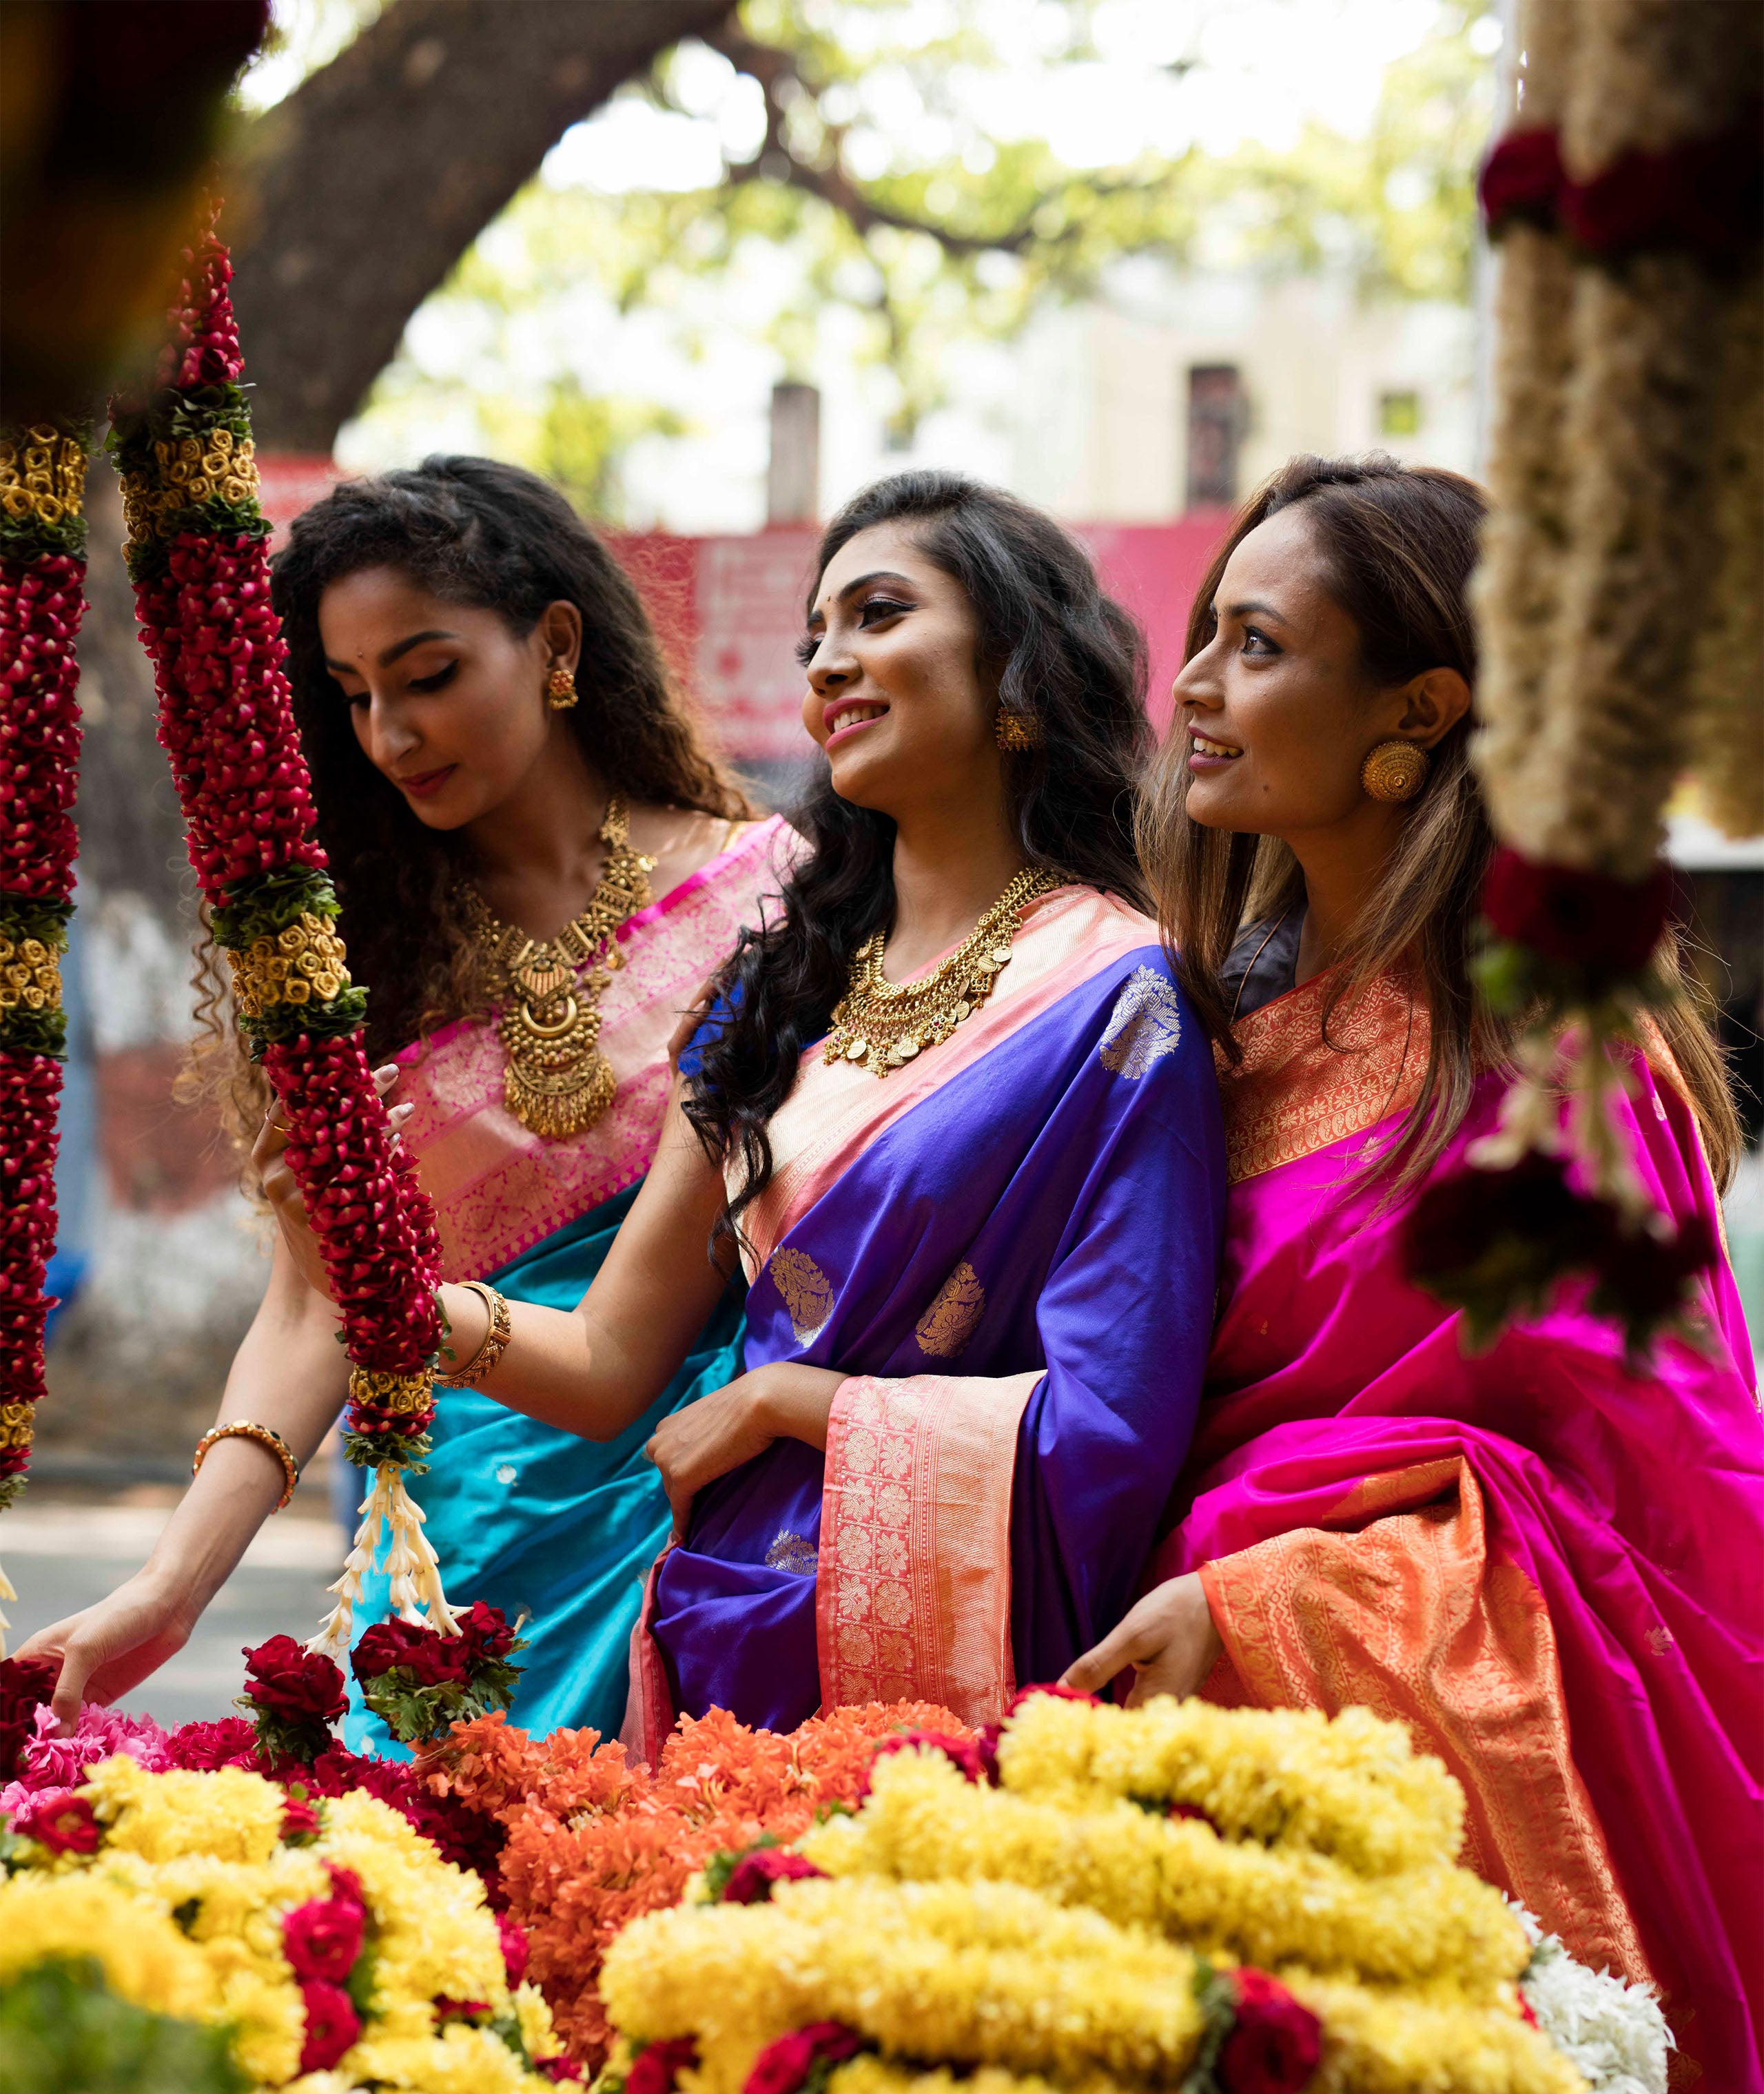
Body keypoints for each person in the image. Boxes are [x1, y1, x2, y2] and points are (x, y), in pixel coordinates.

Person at [1061, 453, 1763, 2094]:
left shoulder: (1553, 1057)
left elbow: (1651, 1493)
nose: (1192, 684)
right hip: (1164, 1721)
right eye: (1201, 631)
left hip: (1391, 1760)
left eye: (1257, 646)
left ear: (1420, 715)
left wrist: (1286, 1603)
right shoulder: (1204, 1032)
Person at [262, 469, 1227, 1752]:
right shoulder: (780, 984)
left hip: (944, 1659)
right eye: (814, 636)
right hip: (722, 1638)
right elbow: (608, 1366)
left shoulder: (1118, 997)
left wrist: (792, 1405)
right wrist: (378, 1259)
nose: (831, 662)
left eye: (879, 616)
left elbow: (1112, 1427)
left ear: (1018, 670)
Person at [29, 457, 783, 1745]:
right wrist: (165, 1591)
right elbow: (315, 1305)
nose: (391, 736)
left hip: (723, 1535)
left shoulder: (771, 900)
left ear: (554, 643)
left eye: (428, 676)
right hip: (457, 1574)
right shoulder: (346, 972)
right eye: (355, 695)